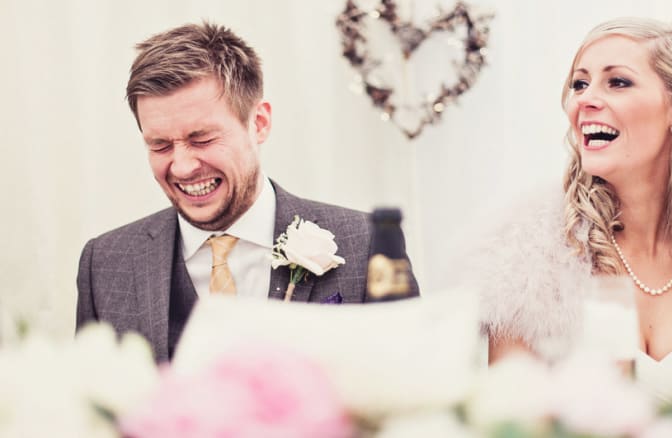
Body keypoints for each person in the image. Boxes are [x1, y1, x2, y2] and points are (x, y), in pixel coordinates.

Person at [467, 17, 672, 433]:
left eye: (618, 82)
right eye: (579, 84)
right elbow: (511, 425)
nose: (586, 100)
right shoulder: (528, 256)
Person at [76, 22, 419, 362]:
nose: (181, 166)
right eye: (160, 145)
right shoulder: (104, 265)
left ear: (259, 123)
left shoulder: (367, 243)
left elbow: (410, 393)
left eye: (202, 139)